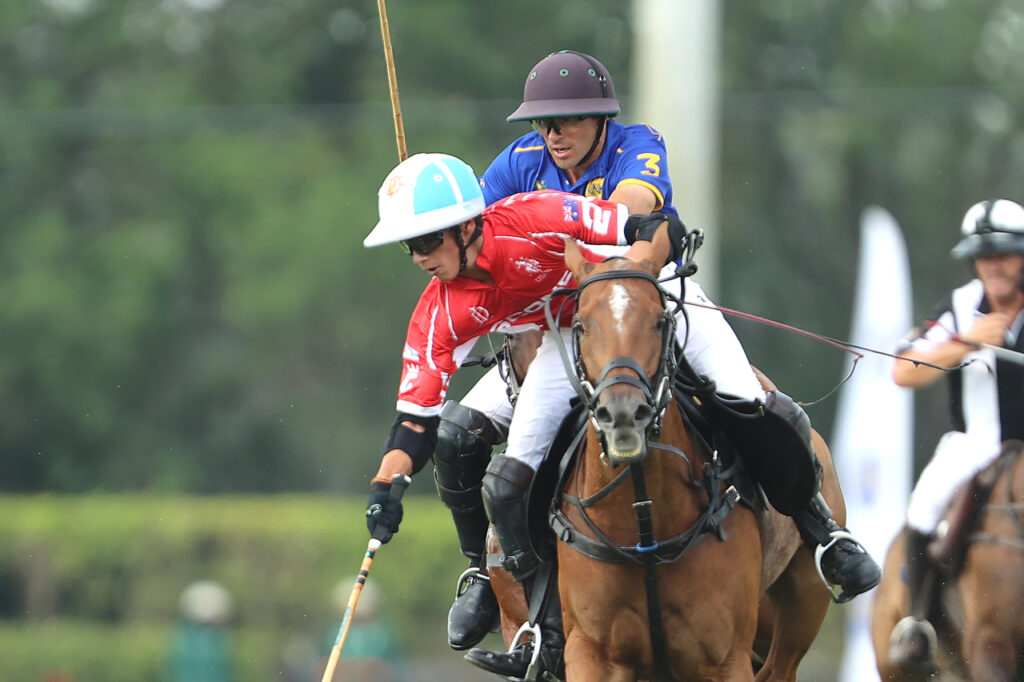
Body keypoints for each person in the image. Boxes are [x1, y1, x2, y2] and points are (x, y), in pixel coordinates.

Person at [362, 152, 881, 680]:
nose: (419, 257)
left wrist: (645, 263)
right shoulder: (439, 310)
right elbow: (414, 421)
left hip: (648, 298)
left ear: (469, 225)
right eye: (410, 246)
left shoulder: (537, 216)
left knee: (751, 404)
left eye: (428, 241)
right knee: (508, 481)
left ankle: (822, 532)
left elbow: (655, 224)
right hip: (572, 333)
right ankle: (544, 628)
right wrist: (387, 486)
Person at [438, 49, 680, 653]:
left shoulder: (637, 143)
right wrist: (437, 233)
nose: (553, 134)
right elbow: (473, 232)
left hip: (640, 308)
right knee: (456, 437)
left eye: (568, 119)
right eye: (544, 122)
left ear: (600, 119)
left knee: (747, 397)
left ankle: (817, 528)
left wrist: (545, 228)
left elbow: (629, 208)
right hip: (555, 327)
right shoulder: (520, 161)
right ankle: (483, 577)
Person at [888, 198, 1024, 670]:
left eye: (1003, 254)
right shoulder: (960, 307)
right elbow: (903, 370)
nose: (992, 266)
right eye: (983, 257)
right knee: (922, 508)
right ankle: (918, 622)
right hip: (975, 444)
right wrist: (967, 342)